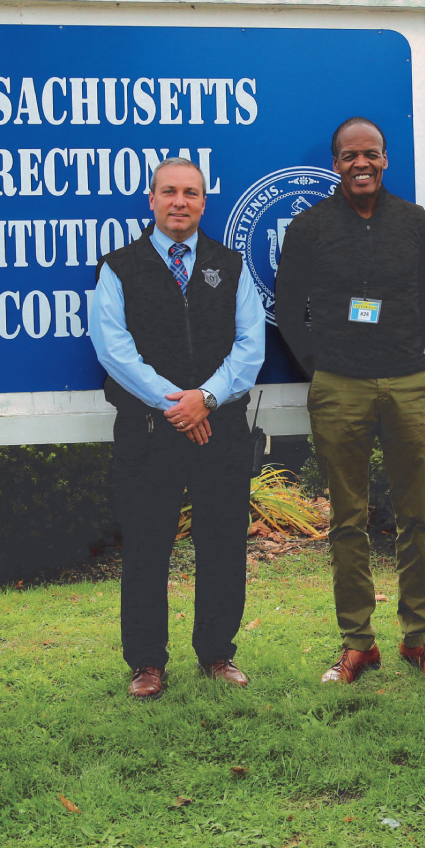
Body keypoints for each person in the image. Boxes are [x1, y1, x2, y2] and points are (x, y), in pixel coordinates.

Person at [275, 117, 425, 685]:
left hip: (408, 381)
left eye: (371, 154)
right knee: (348, 521)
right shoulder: (308, 226)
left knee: (416, 517)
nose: (362, 164)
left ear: (385, 160)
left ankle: (419, 639)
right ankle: (358, 643)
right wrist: (320, 365)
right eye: (351, 155)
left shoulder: (413, 222)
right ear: (336, 164)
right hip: (340, 386)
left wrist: (401, 344)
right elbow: (286, 304)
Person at [88, 156, 264, 699]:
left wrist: (205, 399)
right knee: (145, 547)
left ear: (204, 201)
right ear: (152, 199)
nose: (179, 202)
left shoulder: (229, 265)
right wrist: (178, 406)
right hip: (147, 430)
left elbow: (250, 346)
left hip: (221, 428)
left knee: (223, 544)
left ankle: (216, 653)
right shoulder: (119, 267)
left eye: (190, 192)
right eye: (169, 192)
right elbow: (114, 350)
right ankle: (146, 662)